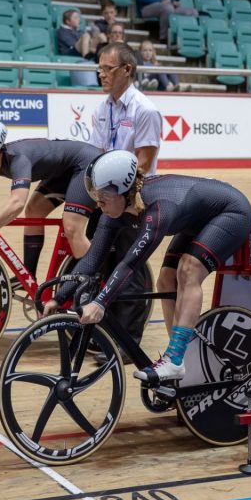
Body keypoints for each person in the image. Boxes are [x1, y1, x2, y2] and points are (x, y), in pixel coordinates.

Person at [44, 150, 251, 383]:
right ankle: (179, 356)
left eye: (102, 194)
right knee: (166, 279)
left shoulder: (158, 210)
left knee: (188, 269)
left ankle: (174, 359)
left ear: (123, 190)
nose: (97, 201)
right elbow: (92, 259)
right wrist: (58, 298)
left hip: (231, 212)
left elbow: (129, 265)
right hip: (197, 220)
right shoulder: (112, 210)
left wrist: (101, 302)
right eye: (94, 193)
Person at [0, 120, 102, 278]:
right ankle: (28, 275)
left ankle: (96, 283)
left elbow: (17, 202)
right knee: (34, 210)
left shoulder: (18, 158)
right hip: (64, 172)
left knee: (72, 227)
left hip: (84, 164)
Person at [85, 42, 163, 353]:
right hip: (106, 197)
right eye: (99, 69)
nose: (101, 74)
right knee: (104, 267)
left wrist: (121, 197)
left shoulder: (144, 110)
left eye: (107, 68)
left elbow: (143, 163)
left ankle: (127, 344)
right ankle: (107, 332)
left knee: (128, 271)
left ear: (126, 70)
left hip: (133, 200)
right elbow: (95, 155)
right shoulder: (102, 109)